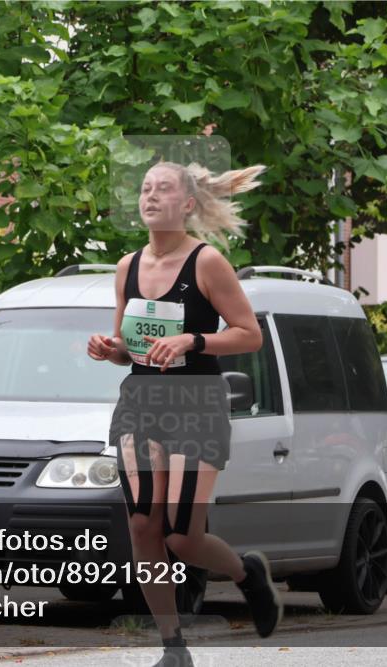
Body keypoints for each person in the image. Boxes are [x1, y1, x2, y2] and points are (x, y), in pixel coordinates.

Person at [87, 160, 282, 667]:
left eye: (163, 188)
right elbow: (130, 349)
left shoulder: (207, 262)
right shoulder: (127, 267)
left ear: (188, 204)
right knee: (143, 527)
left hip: (197, 402)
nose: (150, 196)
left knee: (180, 534)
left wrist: (192, 340)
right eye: (145, 188)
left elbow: (249, 334)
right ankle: (173, 647)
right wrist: (110, 350)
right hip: (141, 403)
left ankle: (246, 574)